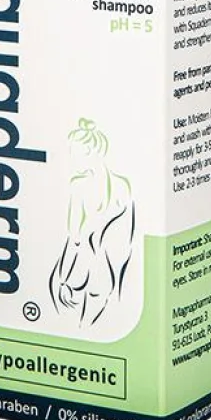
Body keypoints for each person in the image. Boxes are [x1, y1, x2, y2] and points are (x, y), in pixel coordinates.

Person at [50, 119, 135, 327]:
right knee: (83, 325)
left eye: (74, 152)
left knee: (83, 325)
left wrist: (63, 278)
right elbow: (75, 238)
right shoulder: (120, 186)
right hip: (99, 270)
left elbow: (75, 238)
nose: (71, 158)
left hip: (96, 269)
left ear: (88, 151)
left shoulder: (85, 187)